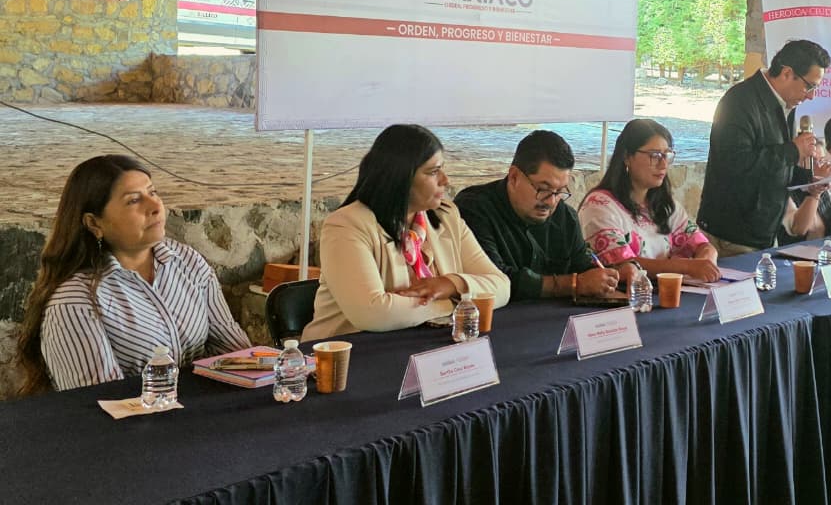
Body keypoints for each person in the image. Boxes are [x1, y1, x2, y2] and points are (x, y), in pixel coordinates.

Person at [17, 154, 251, 392]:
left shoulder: (187, 262)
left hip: (204, 410)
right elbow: (100, 401)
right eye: (133, 200)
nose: (155, 207)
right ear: (94, 223)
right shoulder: (75, 302)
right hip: (139, 415)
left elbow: (236, 353)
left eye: (153, 192)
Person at [304, 125, 509, 340]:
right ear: (400, 177)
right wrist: (457, 302)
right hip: (350, 349)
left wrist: (451, 284)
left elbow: (502, 286)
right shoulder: (347, 225)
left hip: (418, 344)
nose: (445, 180)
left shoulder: (446, 216)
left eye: (442, 169)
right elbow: (373, 313)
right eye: (433, 172)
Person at [456, 130, 636, 301]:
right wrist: (573, 284)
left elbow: (584, 269)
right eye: (543, 189)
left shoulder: (565, 217)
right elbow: (493, 281)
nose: (551, 201)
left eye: (559, 191)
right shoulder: (474, 208)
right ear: (514, 177)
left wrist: (613, 275)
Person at [698, 38, 829, 256]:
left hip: (765, 232)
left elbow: (777, 167)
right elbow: (734, 163)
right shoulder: (739, 102)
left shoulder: (785, 104)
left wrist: (809, 181)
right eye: (809, 86)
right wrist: (792, 151)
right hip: (733, 234)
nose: (811, 95)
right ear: (787, 73)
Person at [579, 119, 720, 282]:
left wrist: (707, 258)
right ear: (627, 157)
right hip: (627, 294)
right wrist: (687, 267)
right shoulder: (599, 205)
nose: (663, 164)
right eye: (655, 155)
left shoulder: (665, 204)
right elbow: (623, 264)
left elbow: (701, 244)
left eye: (667, 155)